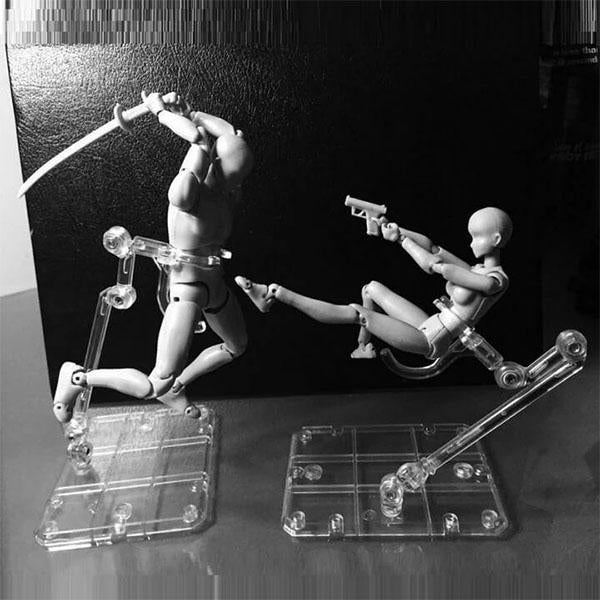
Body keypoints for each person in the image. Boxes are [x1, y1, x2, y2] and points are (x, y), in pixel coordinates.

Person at [53, 91, 253, 423]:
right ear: (216, 161)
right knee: (153, 383)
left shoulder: (227, 194)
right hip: (187, 291)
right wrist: (160, 112)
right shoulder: (187, 192)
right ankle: (78, 378)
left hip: (214, 287)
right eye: (235, 170)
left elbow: (225, 133)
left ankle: (177, 387)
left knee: (237, 345)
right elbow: (199, 140)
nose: (238, 179)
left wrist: (192, 114)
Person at [236, 207, 511, 361]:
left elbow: (435, 266)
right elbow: (434, 248)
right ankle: (362, 347)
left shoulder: (493, 281)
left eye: (477, 237)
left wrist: (402, 241)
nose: (471, 243)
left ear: (496, 240)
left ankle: (277, 293)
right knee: (371, 288)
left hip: (433, 340)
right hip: (430, 322)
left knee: (358, 312)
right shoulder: (476, 269)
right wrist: (396, 228)